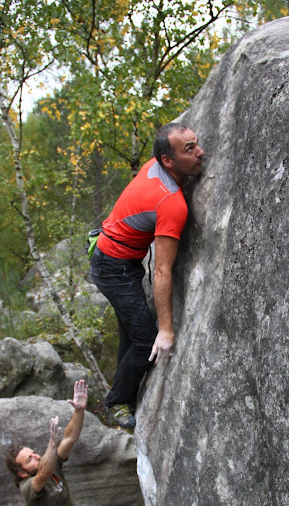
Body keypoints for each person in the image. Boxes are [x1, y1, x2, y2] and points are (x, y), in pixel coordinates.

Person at [90, 122, 205, 429]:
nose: (201, 153)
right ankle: (117, 401)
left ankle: (119, 395)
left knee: (131, 329)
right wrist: (166, 331)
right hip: (112, 267)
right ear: (168, 160)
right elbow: (162, 270)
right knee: (145, 339)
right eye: (189, 149)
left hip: (115, 256)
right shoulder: (171, 203)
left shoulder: (155, 164)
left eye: (196, 144)